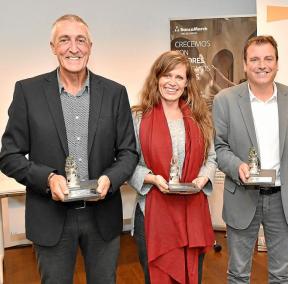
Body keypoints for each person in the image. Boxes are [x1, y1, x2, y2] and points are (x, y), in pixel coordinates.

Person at [0, 14, 138, 283]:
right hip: (51, 219)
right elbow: (9, 155)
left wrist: (110, 178)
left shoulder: (115, 93)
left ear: (90, 46)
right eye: (64, 40)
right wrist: (48, 178)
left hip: (102, 215)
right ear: (53, 47)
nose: (73, 48)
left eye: (80, 40)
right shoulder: (28, 92)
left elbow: (128, 152)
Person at [212, 35, 288, 283]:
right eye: (254, 59)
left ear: (277, 63)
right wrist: (237, 166)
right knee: (238, 274)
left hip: (283, 200)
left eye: (268, 58)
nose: (262, 65)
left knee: (280, 275)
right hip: (243, 196)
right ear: (245, 64)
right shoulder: (224, 100)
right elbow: (219, 147)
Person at [128, 50, 217, 284]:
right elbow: (127, 163)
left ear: (187, 83)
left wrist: (203, 178)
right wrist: (152, 178)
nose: (172, 82)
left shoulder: (200, 117)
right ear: (157, 78)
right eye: (167, 75)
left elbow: (211, 158)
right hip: (153, 215)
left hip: (192, 215)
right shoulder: (138, 117)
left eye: (179, 77)